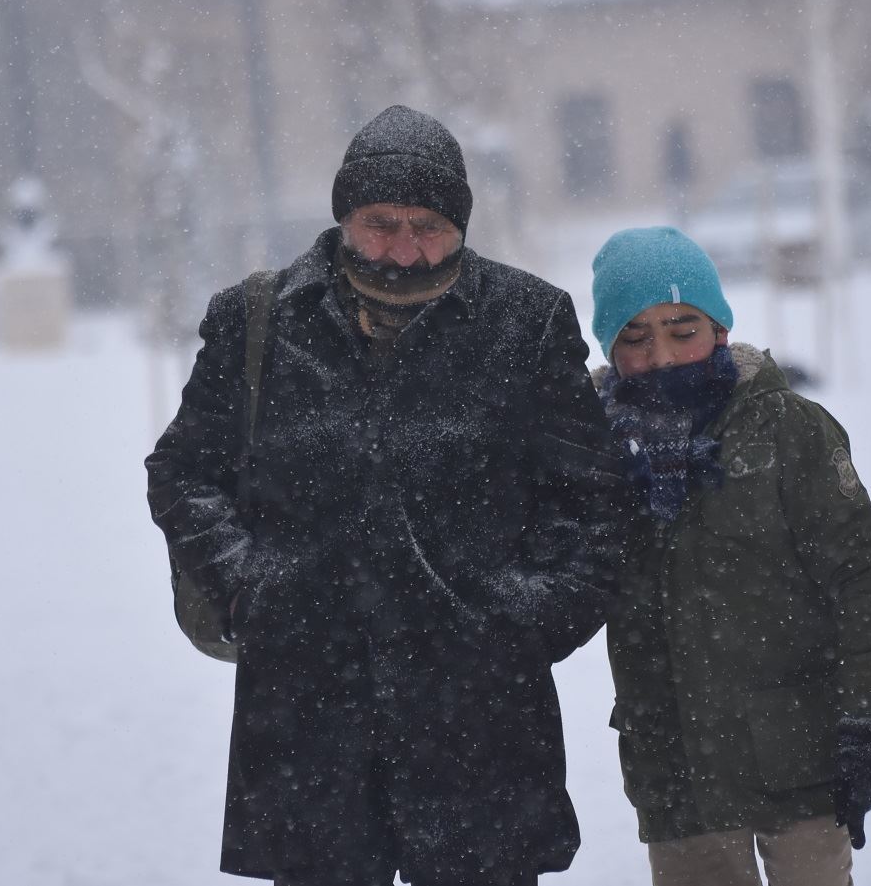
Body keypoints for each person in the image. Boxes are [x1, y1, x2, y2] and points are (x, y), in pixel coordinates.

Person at [145, 105, 631, 886]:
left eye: (429, 225)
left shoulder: (527, 322)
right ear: (344, 216)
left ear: (461, 225)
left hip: (481, 732)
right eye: (380, 222)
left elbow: (594, 502)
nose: (405, 247)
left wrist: (523, 620)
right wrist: (249, 585)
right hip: (310, 725)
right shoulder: (258, 321)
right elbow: (183, 472)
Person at [589, 227, 871, 886]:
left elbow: (867, 578)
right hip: (676, 772)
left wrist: (870, 721)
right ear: (610, 348)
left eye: (682, 328)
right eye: (636, 336)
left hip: (801, 759)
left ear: (721, 329)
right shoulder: (598, 458)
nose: (663, 355)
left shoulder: (786, 430)